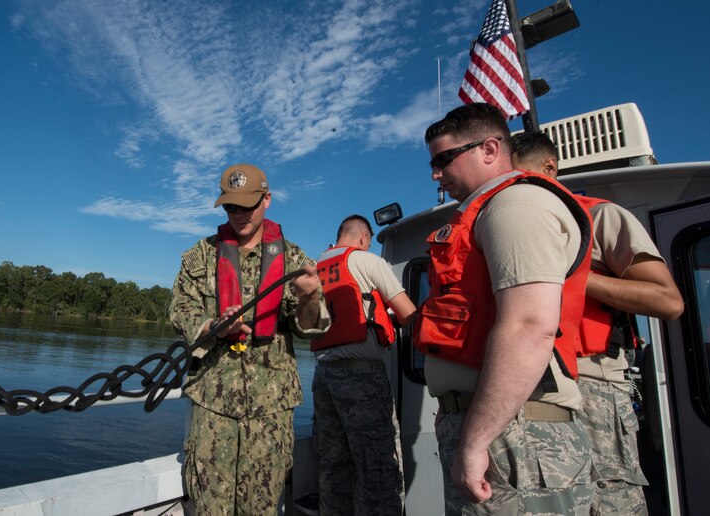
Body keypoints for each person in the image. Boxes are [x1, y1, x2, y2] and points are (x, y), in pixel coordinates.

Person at [414, 103, 595, 515]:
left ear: (490, 149)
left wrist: (476, 441)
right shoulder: (492, 211)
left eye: (444, 159)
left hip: (516, 437)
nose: (435, 174)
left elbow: (529, 326)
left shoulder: (516, 206)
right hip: (499, 429)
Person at [512, 131, 684, 515]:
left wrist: (571, 276)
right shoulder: (512, 230)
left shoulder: (601, 217)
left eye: (521, 180)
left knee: (611, 503)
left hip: (595, 385)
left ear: (549, 169)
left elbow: (668, 301)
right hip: (532, 386)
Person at [169, 163, 330, 515]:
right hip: (213, 406)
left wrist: (309, 297)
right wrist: (212, 326)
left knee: (262, 506)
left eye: (247, 205)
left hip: (270, 412)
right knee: (210, 505)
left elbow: (314, 328)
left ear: (267, 200)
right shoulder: (201, 255)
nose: (239, 214)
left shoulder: (295, 260)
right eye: (230, 206)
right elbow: (179, 309)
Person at [311, 214, 417, 515]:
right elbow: (408, 314)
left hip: (324, 377)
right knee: (378, 467)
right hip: (361, 379)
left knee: (333, 466)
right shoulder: (367, 261)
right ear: (363, 239)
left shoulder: (316, 268)